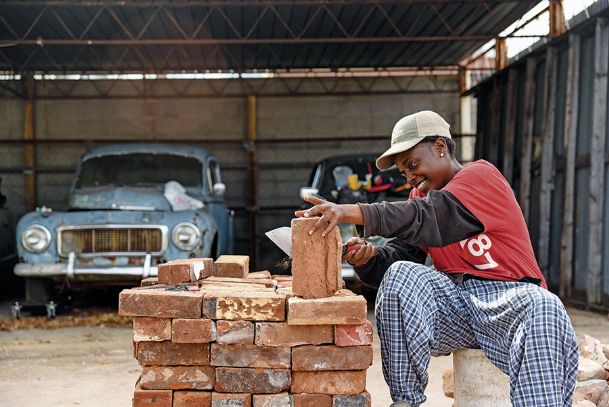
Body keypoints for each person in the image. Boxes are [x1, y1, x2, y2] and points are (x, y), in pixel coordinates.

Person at [294, 110, 578, 407]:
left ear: (441, 147)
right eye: (404, 172)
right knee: (402, 273)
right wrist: (368, 259)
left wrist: (353, 211)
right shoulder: (420, 200)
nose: (410, 177)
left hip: (509, 301)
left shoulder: (480, 177)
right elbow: (402, 255)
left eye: (413, 165)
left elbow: (433, 216)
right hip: (455, 305)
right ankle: (405, 401)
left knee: (545, 306)